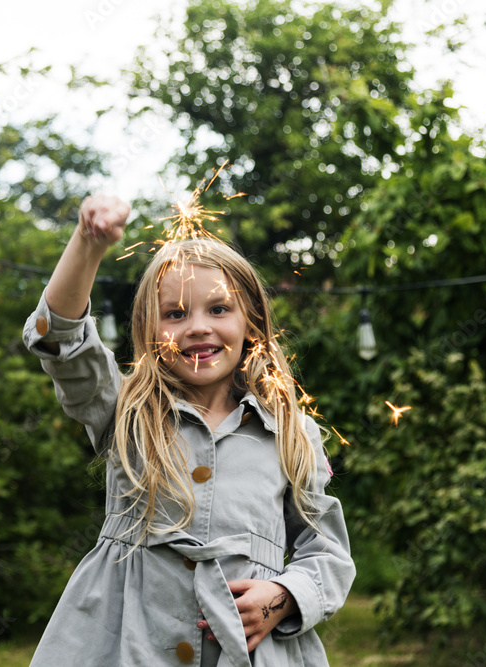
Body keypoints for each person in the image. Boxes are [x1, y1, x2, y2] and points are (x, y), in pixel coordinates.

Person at [23, 195, 355, 666]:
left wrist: (283, 596)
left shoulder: (293, 432)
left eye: (219, 309)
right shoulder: (125, 410)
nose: (198, 327)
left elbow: (328, 553)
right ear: (148, 327)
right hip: (124, 647)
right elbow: (60, 337)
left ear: (251, 322)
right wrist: (87, 244)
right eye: (175, 314)